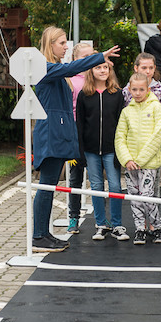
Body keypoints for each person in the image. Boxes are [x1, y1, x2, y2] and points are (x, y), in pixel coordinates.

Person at [32, 27, 120, 252]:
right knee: (46, 186)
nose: (65, 47)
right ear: (50, 44)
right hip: (50, 135)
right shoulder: (45, 67)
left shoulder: (53, 69)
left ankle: (44, 233)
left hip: (56, 134)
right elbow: (71, 67)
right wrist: (98, 58)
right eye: (61, 43)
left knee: (49, 186)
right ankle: (38, 236)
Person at [76, 58, 129, 241]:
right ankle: (101, 224)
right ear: (91, 71)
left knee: (115, 186)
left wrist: (120, 151)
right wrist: (80, 150)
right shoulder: (84, 95)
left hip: (111, 149)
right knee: (97, 186)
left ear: (110, 70)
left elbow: (122, 124)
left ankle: (117, 224)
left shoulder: (117, 94)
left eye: (105, 67)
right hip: (90, 149)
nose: (102, 70)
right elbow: (80, 124)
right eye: (98, 67)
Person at [115, 73, 161, 245]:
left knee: (147, 196)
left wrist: (140, 159)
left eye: (141, 89)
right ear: (129, 90)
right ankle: (140, 229)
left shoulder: (156, 108)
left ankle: (157, 227)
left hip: (149, 163)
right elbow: (119, 137)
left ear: (148, 89)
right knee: (134, 196)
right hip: (130, 164)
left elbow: (159, 134)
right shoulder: (126, 112)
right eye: (134, 89)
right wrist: (127, 159)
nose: (137, 93)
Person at [122, 52, 161, 166]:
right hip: (132, 146)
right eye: (144, 68)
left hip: (154, 147)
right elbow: (122, 121)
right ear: (136, 68)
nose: (148, 71)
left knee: (152, 182)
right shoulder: (126, 92)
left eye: (151, 68)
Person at [66, 42, 94, 234]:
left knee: (97, 177)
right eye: (84, 57)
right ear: (75, 59)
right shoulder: (70, 80)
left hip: (94, 130)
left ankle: (103, 219)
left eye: (91, 56)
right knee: (75, 176)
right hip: (76, 131)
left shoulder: (99, 76)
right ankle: (73, 217)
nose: (88, 61)